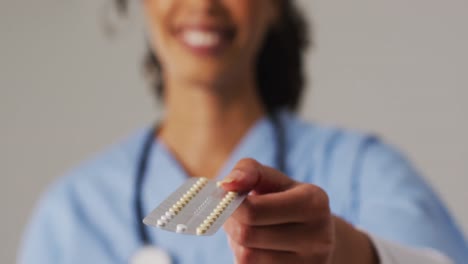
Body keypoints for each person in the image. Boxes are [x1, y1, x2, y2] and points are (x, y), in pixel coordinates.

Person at [19, 0, 468, 263]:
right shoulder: (71, 212)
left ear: (273, 5)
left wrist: (345, 253)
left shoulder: (362, 171)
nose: (204, 3)